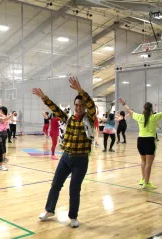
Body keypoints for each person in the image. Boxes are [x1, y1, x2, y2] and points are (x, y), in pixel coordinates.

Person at [33, 77, 96, 228]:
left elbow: (92, 106)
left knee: (74, 189)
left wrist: (81, 91)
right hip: (66, 157)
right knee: (55, 185)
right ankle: (49, 210)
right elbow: (55, 109)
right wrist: (44, 97)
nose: (79, 107)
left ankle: (73, 217)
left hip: (81, 160)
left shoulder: (89, 118)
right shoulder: (68, 119)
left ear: (85, 107)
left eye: (81, 105)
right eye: (77, 105)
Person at [119, 97, 162, 190]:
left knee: (143, 161)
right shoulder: (154, 117)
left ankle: (143, 179)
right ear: (151, 109)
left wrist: (123, 103)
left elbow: (128, 110)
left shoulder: (139, 117)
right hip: (149, 141)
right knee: (148, 164)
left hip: (140, 141)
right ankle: (146, 183)